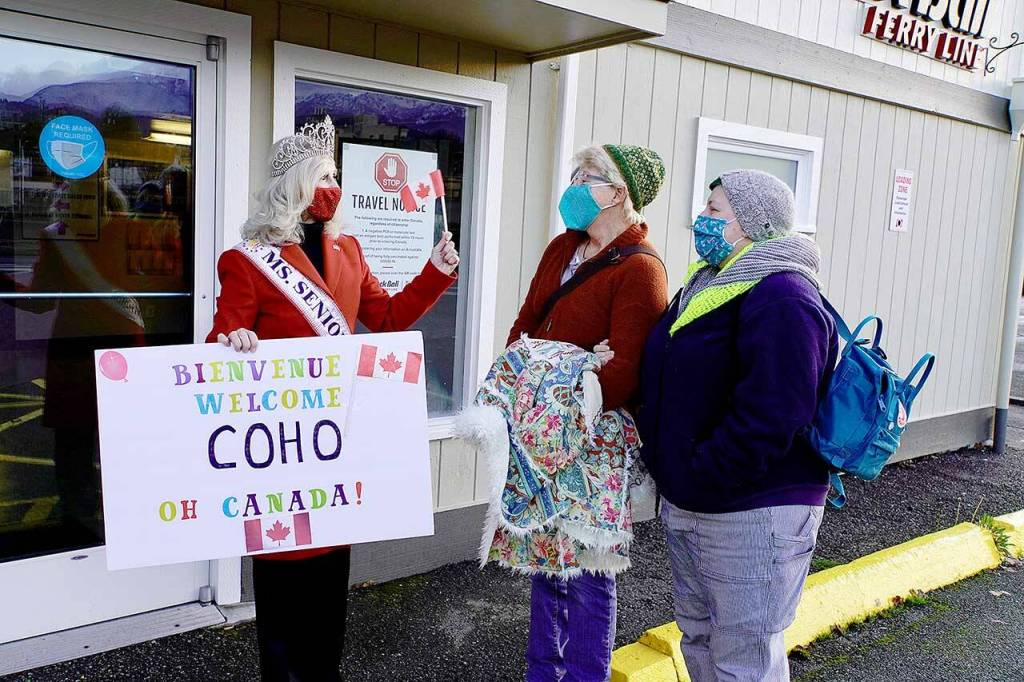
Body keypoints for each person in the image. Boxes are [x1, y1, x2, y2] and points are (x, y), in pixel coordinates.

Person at [207, 116, 459, 681]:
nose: (333, 187)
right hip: (279, 449)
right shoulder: (248, 259)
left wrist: (434, 273)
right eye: (323, 175)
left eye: (336, 175)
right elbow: (218, 347)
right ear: (292, 184)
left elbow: (387, 317)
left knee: (328, 609)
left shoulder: (349, 249)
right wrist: (233, 342)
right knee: (283, 606)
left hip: (331, 445)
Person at [638, 170, 839, 682]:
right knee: (700, 638)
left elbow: (777, 411)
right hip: (693, 500)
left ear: (751, 223)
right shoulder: (710, 283)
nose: (699, 219)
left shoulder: (784, 294)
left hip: (750, 508)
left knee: (745, 659)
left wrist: (706, 471)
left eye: (714, 211)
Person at [507, 144, 668, 681]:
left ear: (619, 193)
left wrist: (566, 391)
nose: (574, 183)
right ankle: (540, 672)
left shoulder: (641, 270)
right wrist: (516, 381)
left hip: (592, 440)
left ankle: (583, 675)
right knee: (543, 562)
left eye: (588, 176)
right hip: (539, 428)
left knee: (588, 571)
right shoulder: (562, 249)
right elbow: (525, 324)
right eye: (575, 173)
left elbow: (624, 370)